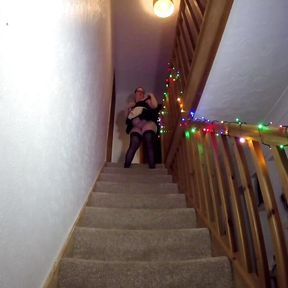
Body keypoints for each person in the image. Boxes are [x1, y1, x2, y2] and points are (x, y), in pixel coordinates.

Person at [124, 87, 160, 169]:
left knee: (149, 142)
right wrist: (128, 108)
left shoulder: (147, 101)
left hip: (147, 123)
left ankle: (152, 169)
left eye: (142, 92)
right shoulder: (132, 104)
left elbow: (155, 106)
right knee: (133, 144)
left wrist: (151, 95)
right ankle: (125, 168)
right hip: (135, 126)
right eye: (138, 91)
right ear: (135, 93)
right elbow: (127, 118)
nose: (140, 93)